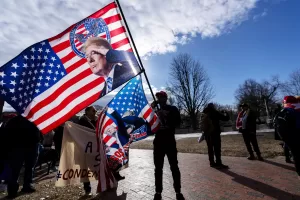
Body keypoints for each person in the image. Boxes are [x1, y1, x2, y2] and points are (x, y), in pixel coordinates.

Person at [151, 91, 184, 200]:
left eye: (162, 97)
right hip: (158, 142)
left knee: (174, 166)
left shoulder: (173, 109)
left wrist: (167, 117)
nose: (160, 99)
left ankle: (178, 191)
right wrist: (152, 110)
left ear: (166, 98)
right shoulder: (153, 110)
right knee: (158, 168)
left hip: (169, 141)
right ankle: (158, 191)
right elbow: (148, 124)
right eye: (158, 97)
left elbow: (178, 122)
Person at [4, 115, 41, 198]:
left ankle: (22, 187)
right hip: (20, 147)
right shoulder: (15, 121)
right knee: (17, 169)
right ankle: (15, 189)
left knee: (26, 168)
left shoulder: (14, 121)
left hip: (27, 147)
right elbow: (6, 135)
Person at [274, 96, 300, 179]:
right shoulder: (297, 108)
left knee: (297, 156)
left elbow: (280, 127)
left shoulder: (286, 110)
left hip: (293, 138)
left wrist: (286, 140)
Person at [202, 103, 230, 169]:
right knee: (217, 148)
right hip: (215, 133)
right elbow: (226, 118)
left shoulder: (204, 114)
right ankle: (218, 163)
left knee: (210, 149)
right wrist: (226, 112)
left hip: (207, 134)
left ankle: (212, 162)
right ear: (213, 107)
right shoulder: (215, 112)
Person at [78, 106, 97, 197]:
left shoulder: (95, 120)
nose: (95, 112)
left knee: (97, 166)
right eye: (93, 110)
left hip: (95, 149)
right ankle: (87, 189)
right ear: (87, 112)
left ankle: (102, 184)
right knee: (85, 169)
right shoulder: (82, 121)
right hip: (85, 149)